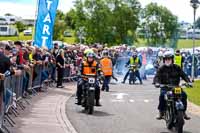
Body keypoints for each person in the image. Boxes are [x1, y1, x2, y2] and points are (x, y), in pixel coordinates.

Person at [154, 51, 192, 120]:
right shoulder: (161, 68)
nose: (168, 60)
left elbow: (184, 75)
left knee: (184, 95)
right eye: (166, 59)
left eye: (169, 59)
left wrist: (188, 82)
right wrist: (157, 83)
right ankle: (161, 112)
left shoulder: (177, 67)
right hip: (165, 87)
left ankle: (183, 112)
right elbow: (157, 77)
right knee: (162, 96)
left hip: (176, 87)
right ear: (164, 60)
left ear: (172, 59)